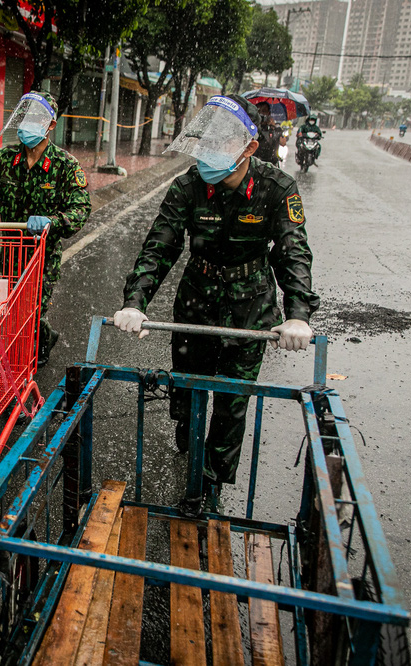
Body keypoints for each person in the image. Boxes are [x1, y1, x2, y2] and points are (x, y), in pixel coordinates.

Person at [113, 95, 319, 512]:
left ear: (249, 148)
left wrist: (298, 314)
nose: (209, 155)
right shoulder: (189, 186)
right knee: (188, 390)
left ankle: (209, 485)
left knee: (231, 402)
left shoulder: (275, 188)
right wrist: (135, 302)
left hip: (251, 308)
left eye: (222, 146)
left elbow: (292, 251)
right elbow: (160, 246)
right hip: (197, 303)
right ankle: (187, 433)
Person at [0, 91, 91, 367]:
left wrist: (53, 221)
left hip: (43, 258)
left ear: (50, 125)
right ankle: (39, 338)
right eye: (24, 118)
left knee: (32, 312)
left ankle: (32, 350)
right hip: (11, 253)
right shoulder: (5, 160)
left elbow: (80, 208)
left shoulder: (65, 165)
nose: (27, 125)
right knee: (12, 311)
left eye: (36, 119)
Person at [253, 101, 287, 166]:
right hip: (255, 164)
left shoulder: (275, 129)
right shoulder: (252, 127)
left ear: (268, 113)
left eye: (264, 111)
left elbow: (283, 143)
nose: (261, 114)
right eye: (259, 111)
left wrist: (273, 128)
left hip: (272, 164)